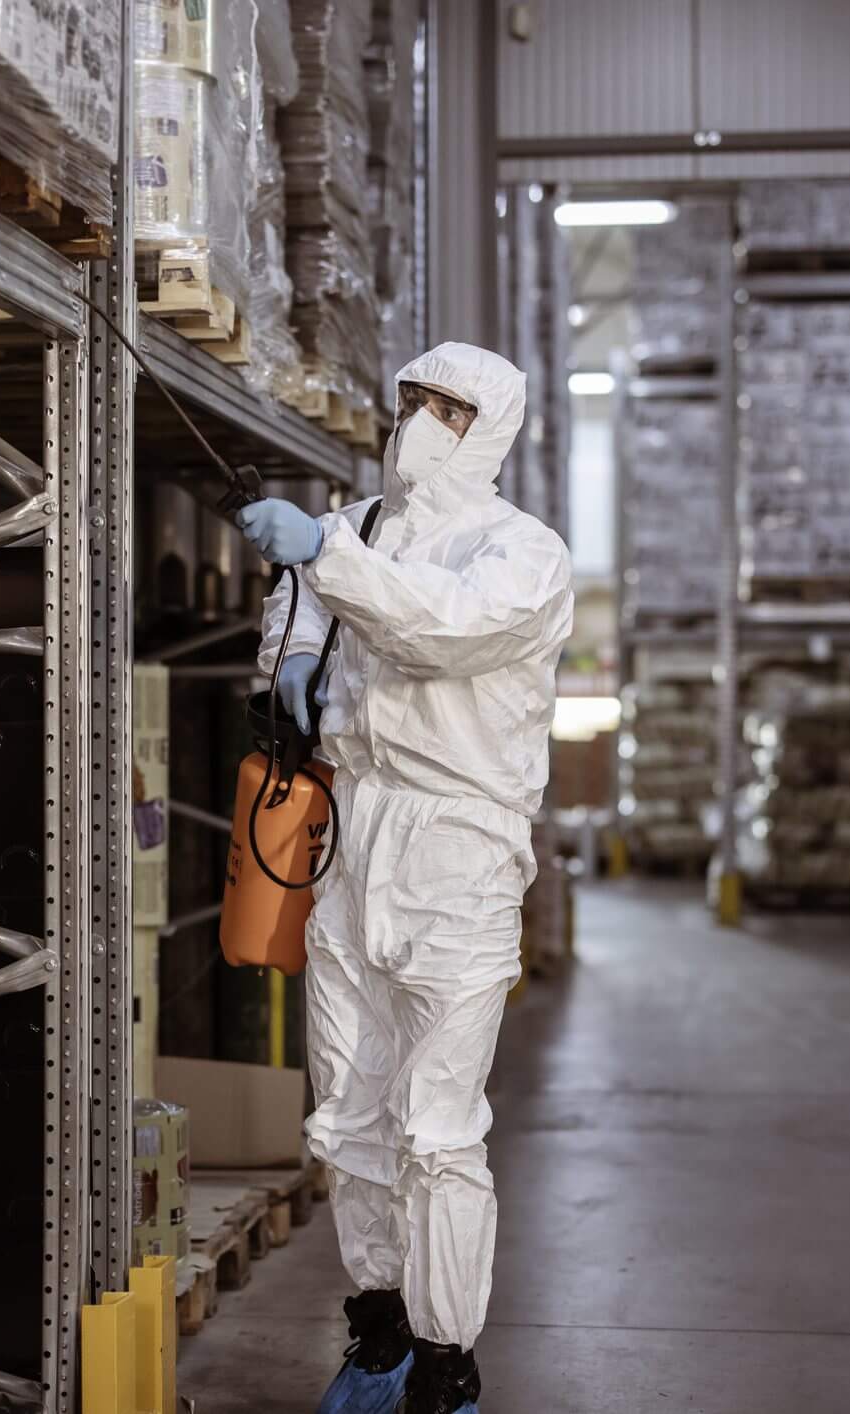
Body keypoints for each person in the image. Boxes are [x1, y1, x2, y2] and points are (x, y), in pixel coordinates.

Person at [235, 342, 573, 1414]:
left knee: (438, 1123)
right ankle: (378, 1333)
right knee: (352, 1106)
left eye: (449, 408)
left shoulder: (523, 553)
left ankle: (446, 1363)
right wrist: (288, 658)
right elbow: (306, 615)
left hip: (460, 847)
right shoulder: (367, 528)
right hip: (356, 831)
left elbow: (436, 631)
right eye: (414, 401)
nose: (421, 421)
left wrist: (323, 552)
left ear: (493, 426)